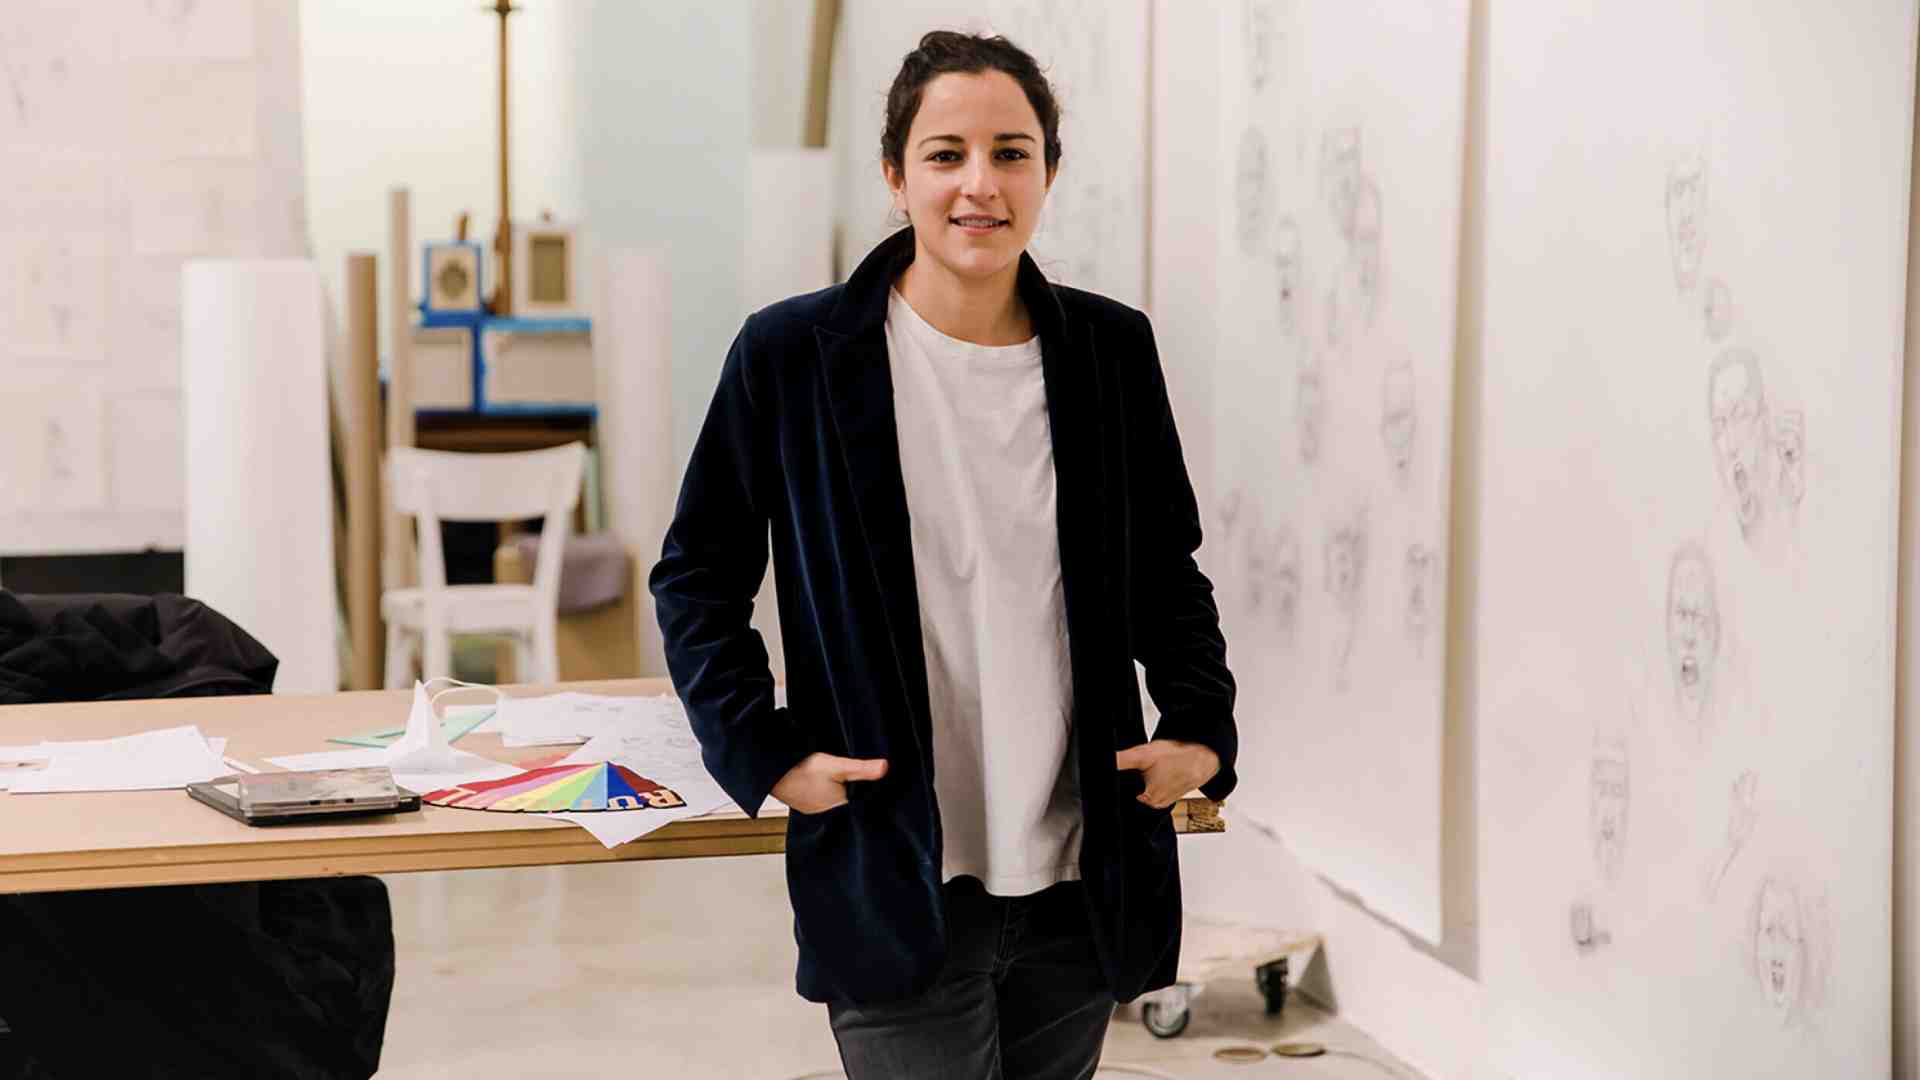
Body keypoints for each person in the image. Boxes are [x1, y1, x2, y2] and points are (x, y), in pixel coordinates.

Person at [650, 30, 1237, 1080]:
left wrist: (1200, 726)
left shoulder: (1111, 351)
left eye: (1012, 153)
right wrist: (762, 750)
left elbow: (1166, 568)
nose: (981, 184)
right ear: (896, 174)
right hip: (893, 867)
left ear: (1048, 171)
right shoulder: (790, 356)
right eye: (946, 154)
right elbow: (697, 576)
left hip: (1080, 877)